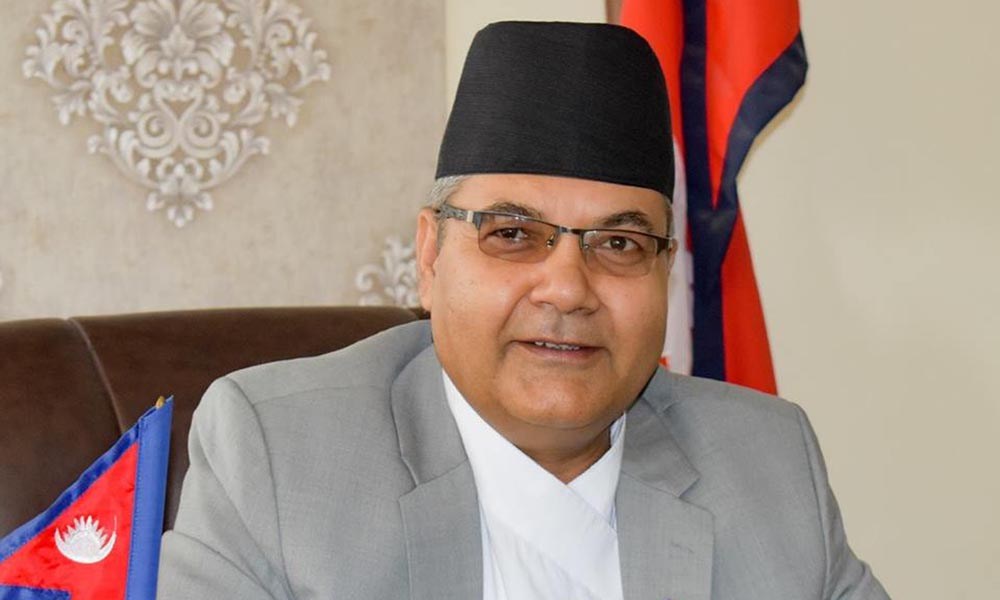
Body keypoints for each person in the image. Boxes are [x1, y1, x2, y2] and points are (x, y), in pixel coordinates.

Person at [157, 21, 890, 600]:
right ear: (431, 256)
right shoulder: (280, 457)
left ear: (667, 271)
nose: (567, 289)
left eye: (620, 243)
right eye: (512, 235)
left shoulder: (766, 463)